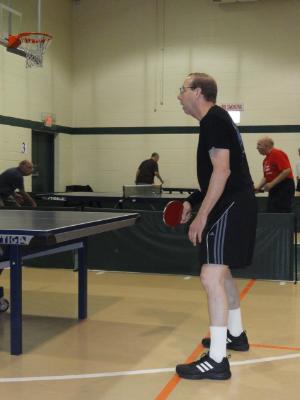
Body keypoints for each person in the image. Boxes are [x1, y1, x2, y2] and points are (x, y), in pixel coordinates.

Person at [175, 73, 257, 381]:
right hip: (236, 201)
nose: (178, 96)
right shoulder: (215, 121)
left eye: (182, 90)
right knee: (222, 274)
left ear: (197, 92)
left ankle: (218, 360)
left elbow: (222, 172)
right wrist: (191, 200)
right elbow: (216, 174)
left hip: (232, 205)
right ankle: (236, 335)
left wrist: (201, 215)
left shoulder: (214, 121)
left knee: (210, 276)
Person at [255, 137, 295, 212]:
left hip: (284, 186)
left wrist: (271, 184)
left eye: (259, 145)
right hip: (274, 188)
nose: (257, 147)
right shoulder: (265, 160)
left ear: (266, 145)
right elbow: (266, 177)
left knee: (282, 211)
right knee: (271, 210)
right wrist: (258, 187)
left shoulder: (276, 153)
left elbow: (287, 170)